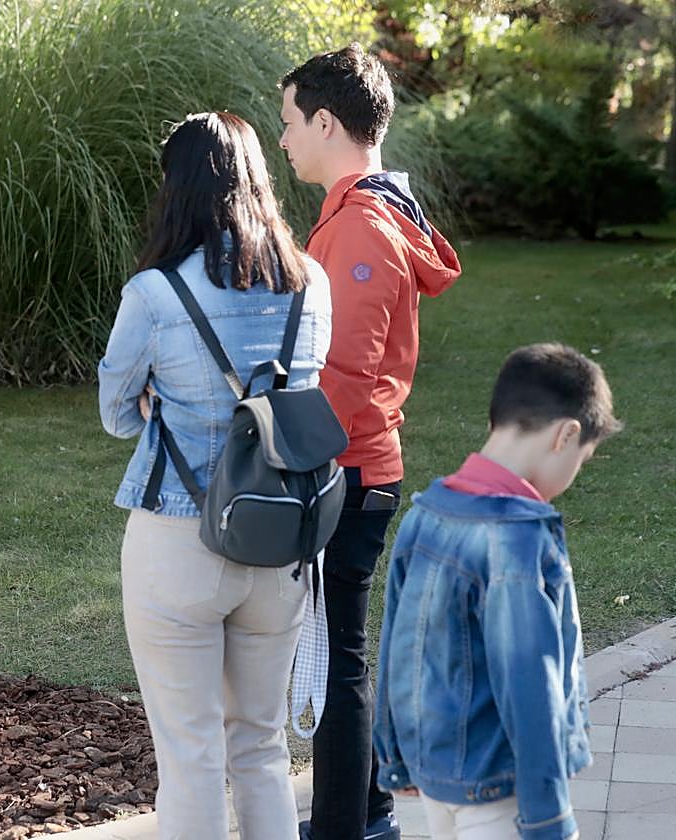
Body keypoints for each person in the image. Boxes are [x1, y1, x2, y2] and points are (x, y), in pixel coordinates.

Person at [98, 111, 332, 840]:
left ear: (180, 188)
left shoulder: (156, 294)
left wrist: (156, 410)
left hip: (179, 533)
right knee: (261, 747)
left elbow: (116, 411)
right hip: (281, 538)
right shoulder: (312, 284)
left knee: (191, 753)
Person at [278, 44, 462, 840]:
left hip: (344, 470)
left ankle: (347, 827)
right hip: (359, 464)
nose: (284, 141)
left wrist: (294, 461)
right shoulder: (369, 213)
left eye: (289, 123)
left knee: (338, 656)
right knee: (341, 646)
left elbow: (343, 378)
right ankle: (371, 809)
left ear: (326, 122)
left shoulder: (360, 228)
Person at [374, 343, 622, 840]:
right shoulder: (519, 539)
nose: (573, 475)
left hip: (439, 779)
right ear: (567, 435)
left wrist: (394, 755)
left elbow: (396, 648)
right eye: (583, 459)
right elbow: (530, 686)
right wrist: (550, 817)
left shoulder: (424, 513)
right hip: (501, 790)